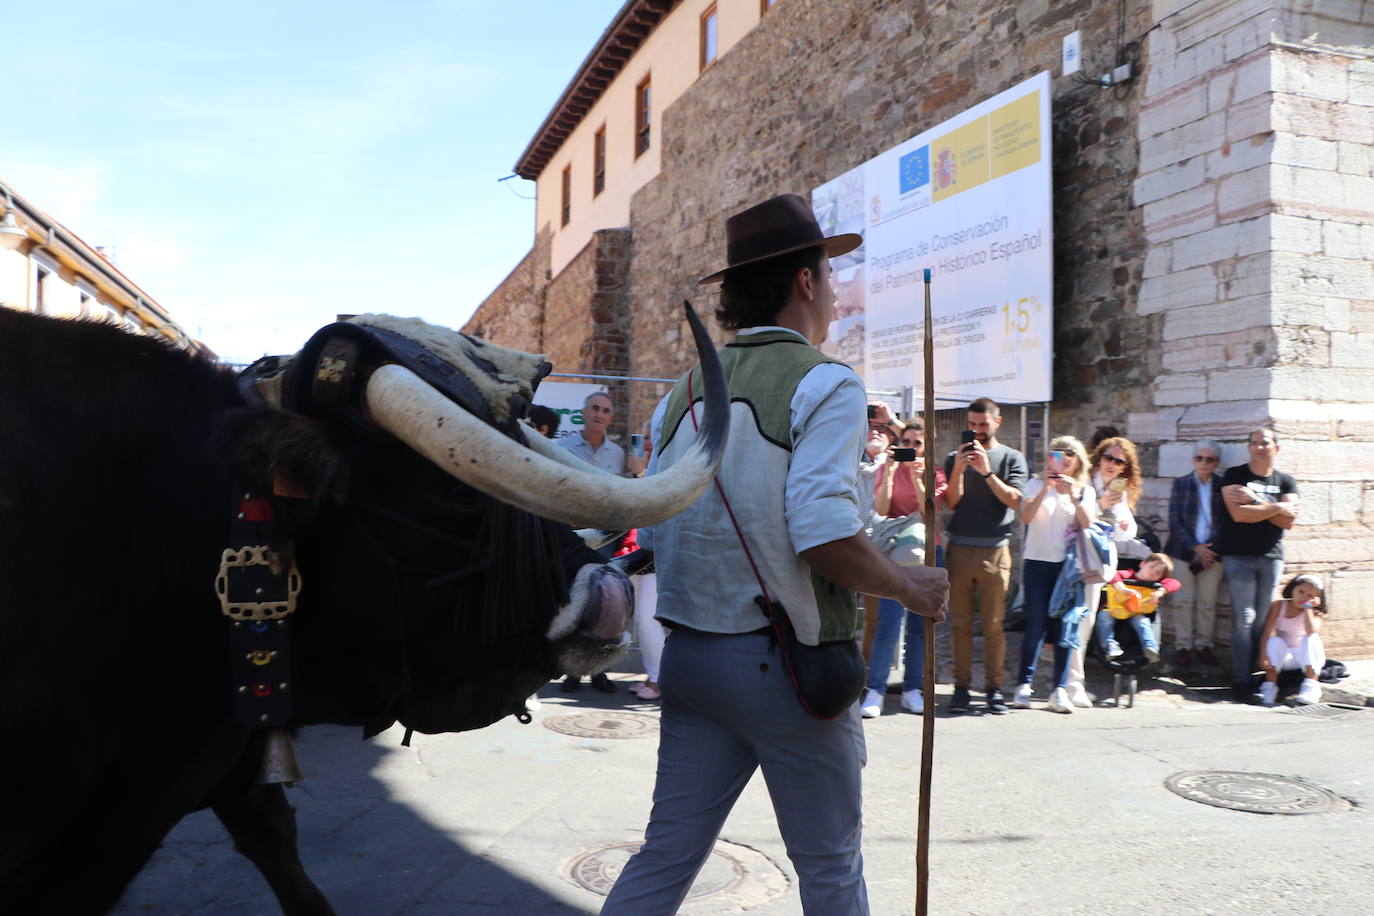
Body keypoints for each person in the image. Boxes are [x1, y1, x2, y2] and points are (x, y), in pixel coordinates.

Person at [602, 193, 949, 916]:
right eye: (828, 270)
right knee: (831, 872)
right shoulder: (826, 383)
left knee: (665, 857)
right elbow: (821, 537)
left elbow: (671, 527)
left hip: (692, 658)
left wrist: (882, 555)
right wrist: (910, 590)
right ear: (804, 281)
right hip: (787, 669)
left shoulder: (683, 394)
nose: (834, 287)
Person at [942, 397, 1029, 714]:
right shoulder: (955, 457)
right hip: (960, 549)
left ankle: (994, 689)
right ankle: (961, 688)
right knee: (960, 625)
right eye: (972, 425)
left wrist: (987, 472)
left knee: (994, 626)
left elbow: (1016, 501)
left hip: (995, 550)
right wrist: (960, 471)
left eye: (983, 424)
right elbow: (951, 503)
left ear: (997, 422)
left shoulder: (1011, 458)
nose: (977, 431)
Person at [559, 392, 645, 693]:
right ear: (583, 412)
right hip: (571, 537)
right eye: (595, 408)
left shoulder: (618, 454)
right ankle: (571, 670)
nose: (599, 414)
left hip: (605, 537)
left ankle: (600, 670)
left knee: (605, 602)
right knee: (574, 600)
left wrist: (639, 471)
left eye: (606, 410)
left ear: (611, 418)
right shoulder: (562, 447)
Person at [861, 419, 946, 717]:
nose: (910, 448)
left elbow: (929, 511)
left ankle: (913, 689)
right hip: (894, 552)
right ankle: (876, 690)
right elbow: (882, 510)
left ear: (927, 447)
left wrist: (918, 477)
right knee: (887, 623)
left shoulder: (934, 473)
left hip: (926, 551)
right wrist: (892, 473)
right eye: (906, 442)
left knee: (919, 626)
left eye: (917, 444)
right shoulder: (889, 468)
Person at [1012, 435, 1095, 714]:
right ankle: (1024, 684)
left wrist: (1073, 494)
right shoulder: (1036, 483)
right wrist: (1046, 488)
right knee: (1035, 625)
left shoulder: (1084, 489)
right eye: (1058, 452)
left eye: (1071, 453)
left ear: (1079, 459)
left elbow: (1087, 523)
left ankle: (1059, 689)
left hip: (1067, 568)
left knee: (1062, 628)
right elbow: (1025, 517)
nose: (1065, 457)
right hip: (1037, 561)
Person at [1218, 427, 1299, 703]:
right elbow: (1239, 515)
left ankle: (1257, 676)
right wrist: (1276, 507)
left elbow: (1288, 522)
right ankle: (1241, 680)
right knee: (1245, 619)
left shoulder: (1286, 481)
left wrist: (1256, 501)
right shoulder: (1235, 476)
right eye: (1254, 443)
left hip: (1271, 557)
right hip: (1237, 556)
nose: (1259, 447)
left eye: (1264, 443)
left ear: (1276, 447)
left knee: (1263, 620)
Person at [1064, 435, 1142, 708]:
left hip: (1099, 565)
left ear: (1125, 468)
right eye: (1109, 457)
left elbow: (1126, 533)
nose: (1112, 464)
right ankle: (1070, 684)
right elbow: (1077, 518)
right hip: (1076, 561)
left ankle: (1074, 684)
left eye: (1119, 461)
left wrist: (1117, 510)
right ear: (1099, 458)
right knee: (1074, 623)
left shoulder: (1116, 491)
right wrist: (1100, 505)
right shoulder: (1085, 481)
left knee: (1084, 625)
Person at [1165, 438, 1226, 668]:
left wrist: (1208, 549)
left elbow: (1225, 522)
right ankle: (1183, 646)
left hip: (1213, 553)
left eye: (1209, 459)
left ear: (1216, 462)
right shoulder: (1181, 484)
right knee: (1182, 601)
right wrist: (1195, 547)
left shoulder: (1222, 486)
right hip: (1182, 551)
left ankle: (1204, 645)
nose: (1203, 463)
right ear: (1193, 460)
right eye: (1199, 458)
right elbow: (1174, 521)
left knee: (1207, 603)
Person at [857, 419, 897, 664]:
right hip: (849, 545)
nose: (875, 432)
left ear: (891, 439)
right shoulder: (847, 460)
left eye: (882, 430)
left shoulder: (896, 465)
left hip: (880, 549)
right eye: (870, 427)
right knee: (844, 613)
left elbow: (921, 437)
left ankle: (870, 674)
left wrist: (891, 416)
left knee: (876, 618)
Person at [1096, 553, 1180, 663]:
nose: (1152, 572)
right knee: (1104, 617)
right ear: (1142, 564)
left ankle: (1150, 648)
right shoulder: (1128, 574)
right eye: (1152, 566)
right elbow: (1113, 575)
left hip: (1136, 612)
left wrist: (1160, 591)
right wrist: (1122, 588)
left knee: (1143, 622)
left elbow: (1175, 583)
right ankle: (1110, 646)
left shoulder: (1154, 584)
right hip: (1114, 608)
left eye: (1158, 573)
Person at [1257, 573, 1326, 706]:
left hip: (1305, 657)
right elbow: (1267, 632)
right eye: (1301, 591)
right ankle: (1269, 688)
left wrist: (1308, 608)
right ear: (1293, 589)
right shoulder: (1279, 606)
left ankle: (1311, 687)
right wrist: (1263, 655)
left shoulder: (1315, 613)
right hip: (1285, 657)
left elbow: (1311, 631)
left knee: (1311, 638)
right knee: (1275, 641)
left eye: (1310, 595)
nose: (1303, 597)